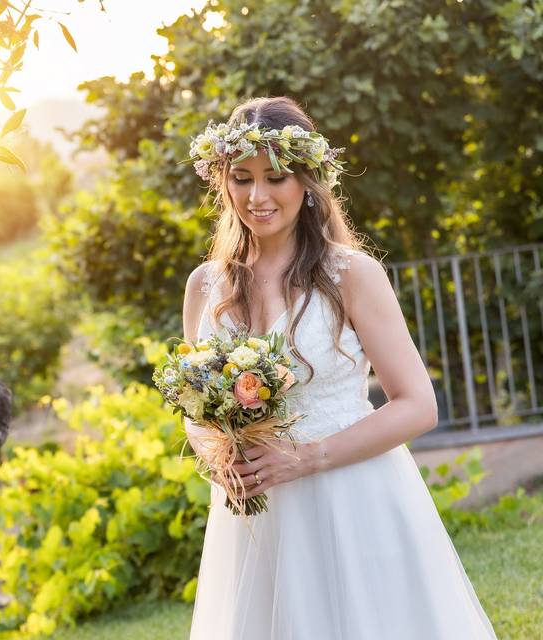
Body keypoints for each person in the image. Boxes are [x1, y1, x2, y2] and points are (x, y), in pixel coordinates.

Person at [181, 96, 497, 639]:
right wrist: (219, 455)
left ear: (307, 182)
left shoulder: (351, 274)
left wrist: (305, 459)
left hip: (349, 498)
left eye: (275, 178)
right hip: (255, 517)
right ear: (222, 182)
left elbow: (418, 406)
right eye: (242, 178)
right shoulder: (205, 285)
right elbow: (195, 408)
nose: (257, 196)